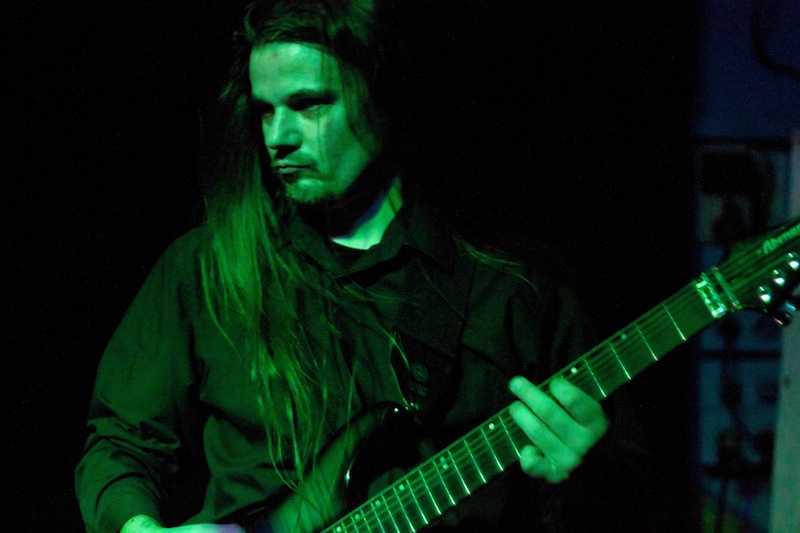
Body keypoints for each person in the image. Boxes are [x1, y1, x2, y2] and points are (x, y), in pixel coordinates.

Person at [75, 1, 653, 531]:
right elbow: (120, 443)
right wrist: (140, 528)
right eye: (266, 111)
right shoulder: (204, 269)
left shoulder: (515, 287)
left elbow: (630, 499)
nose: (277, 137)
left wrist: (585, 474)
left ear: (381, 95)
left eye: (309, 104)